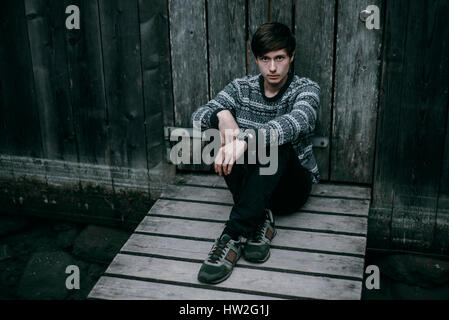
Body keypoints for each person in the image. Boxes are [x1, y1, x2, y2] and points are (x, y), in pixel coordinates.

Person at [190, 22, 320, 284]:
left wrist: (248, 139)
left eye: (279, 58)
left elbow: (298, 121)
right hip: (252, 185)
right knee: (216, 136)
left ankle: (232, 236)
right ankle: (259, 219)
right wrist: (221, 115)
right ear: (256, 59)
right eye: (265, 59)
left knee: (278, 143)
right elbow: (197, 117)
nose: (272, 68)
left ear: (291, 57)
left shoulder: (306, 89)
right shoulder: (241, 88)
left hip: (290, 190)